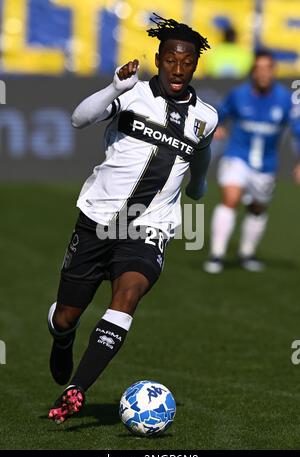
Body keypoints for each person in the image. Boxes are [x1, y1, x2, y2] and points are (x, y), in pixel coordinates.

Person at [47, 13, 218, 424]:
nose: (179, 70)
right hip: (97, 221)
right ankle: (62, 337)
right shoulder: (132, 94)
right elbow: (78, 118)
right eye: (172, 60)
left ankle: (77, 390)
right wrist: (112, 88)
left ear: (195, 64)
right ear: (159, 60)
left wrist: (198, 186)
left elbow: (202, 154)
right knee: (65, 315)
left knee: (128, 295)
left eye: (188, 62)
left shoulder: (206, 117)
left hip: (148, 228)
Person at [203, 50, 300, 274]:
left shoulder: (285, 100)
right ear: (253, 72)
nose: (263, 73)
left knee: (257, 207)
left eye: (268, 68)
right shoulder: (239, 94)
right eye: (259, 68)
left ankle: (246, 254)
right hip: (237, 155)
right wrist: (216, 128)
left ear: (273, 71)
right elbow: (218, 114)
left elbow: (298, 130)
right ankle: (216, 255)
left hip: (266, 163)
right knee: (231, 198)